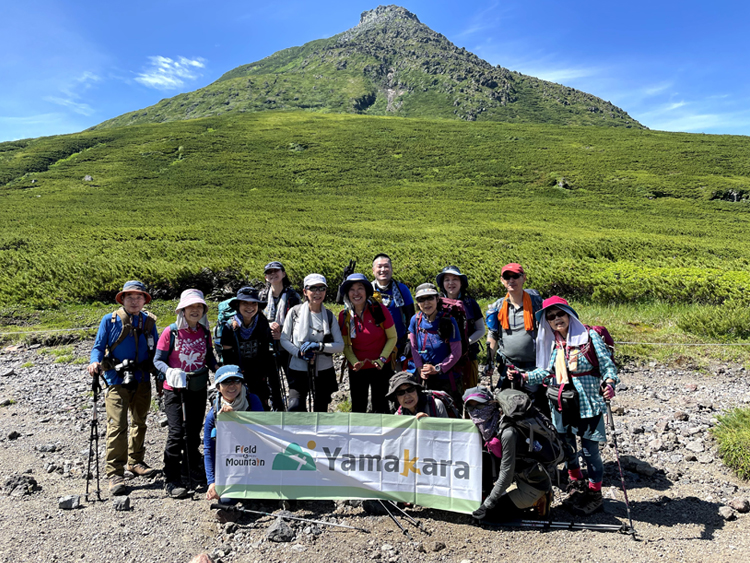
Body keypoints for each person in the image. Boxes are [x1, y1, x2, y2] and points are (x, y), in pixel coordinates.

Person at [517, 296, 619, 515]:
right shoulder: (553, 343)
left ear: (569, 314)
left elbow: (608, 366)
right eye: (551, 317)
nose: (556, 319)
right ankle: (577, 484)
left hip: (589, 403)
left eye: (560, 314)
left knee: (591, 451)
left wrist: (609, 384)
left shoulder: (590, 337)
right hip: (562, 404)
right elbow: (546, 372)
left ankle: (594, 493)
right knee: (567, 447)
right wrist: (523, 376)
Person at [88, 280, 159, 496]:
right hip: (116, 379)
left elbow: (157, 349)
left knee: (140, 422)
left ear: (144, 300)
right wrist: (94, 362)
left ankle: (135, 461)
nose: (135, 301)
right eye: (130, 297)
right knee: (117, 425)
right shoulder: (109, 321)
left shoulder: (149, 322)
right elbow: (98, 347)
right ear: (123, 299)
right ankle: (114, 474)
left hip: (142, 378)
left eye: (139, 297)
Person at [153, 288, 219, 499]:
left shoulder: (205, 332)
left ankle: (189, 467)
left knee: (193, 431)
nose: (195, 310)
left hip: (198, 387)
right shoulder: (170, 332)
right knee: (176, 433)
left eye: (199, 306)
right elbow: (157, 360)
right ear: (182, 309)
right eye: (191, 306)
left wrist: (221, 371)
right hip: (175, 390)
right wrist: (169, 371)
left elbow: (209, 358)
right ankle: (171, 478)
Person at [465, 386, 552, 522]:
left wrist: (487, 504)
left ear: (490, 403)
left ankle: (540, 498)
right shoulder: (488, 427)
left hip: (534, 482)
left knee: (489, 516)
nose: (476, 412)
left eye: (480, 405)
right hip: (520, 476)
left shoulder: (507, 432)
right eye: (471, 408)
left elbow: (506, 475)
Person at [485, 263, 546, 414]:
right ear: (502, 280)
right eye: (507, 277)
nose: (511, 280)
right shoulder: (498, 306)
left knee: (536, 409)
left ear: (524, 278)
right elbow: (493, 334)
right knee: (510, 408)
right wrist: (489, 360)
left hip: (534, 367)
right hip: (508, 367)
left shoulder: (536, 303)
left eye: (515, 276)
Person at [280, 274, 344, 412]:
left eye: (321, 288)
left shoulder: (329, 316)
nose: (317, 293)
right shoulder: (294, 313)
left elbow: (340, 345)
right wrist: (298, 352)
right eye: (313, 288)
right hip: (298, 369)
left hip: (323, 371)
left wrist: (319, 347)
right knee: (295, 407)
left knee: (321, 409)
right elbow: (284, 339)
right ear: (305, 292)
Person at [338, 273, 397, 413]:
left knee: (381, 406)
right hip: (357, 368)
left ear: (366, 291)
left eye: (360, 288)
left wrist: (382, 359)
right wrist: (353, 361)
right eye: (352, 289)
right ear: (347, 293)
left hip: (381, 366)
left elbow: (392, 337)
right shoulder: (344, 315)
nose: (356, 293)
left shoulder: (379, 310)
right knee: (358, 407)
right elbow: (346, 344)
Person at [204, 365, 264, 502]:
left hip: (257, 462)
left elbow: (262, 434)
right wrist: (212, 482)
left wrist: (236, 419)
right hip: (232, 468)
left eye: (236, 381)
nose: (232, 385)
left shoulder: (253, 401)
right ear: (218, 387)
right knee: (225, 502)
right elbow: (208, 450)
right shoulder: (213, 415)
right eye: (226, 382)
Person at [220, 287, 277, 410]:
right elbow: (227, 357)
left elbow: (265, 350)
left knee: (261, 405)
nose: (250, 307)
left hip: (258, 373)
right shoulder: (229, 328)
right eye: (245, 303)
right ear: (238, 305)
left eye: (253, 303)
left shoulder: (262, 322)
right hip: (238, 374)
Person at [408, 283, 463, 407]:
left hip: (447, 378)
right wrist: (420, 369)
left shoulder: (449, 321)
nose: (426, 303)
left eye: (430, 298)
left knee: (450, 413)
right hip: (424, 376)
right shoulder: (415, 320)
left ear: (437, 299)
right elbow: (414, 347)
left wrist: (438, 369)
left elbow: (456, 352)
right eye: (421, 299)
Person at [436, 265, 485, 389]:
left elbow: (481, 329)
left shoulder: (471, 303)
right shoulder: (436, 304)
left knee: (470, 392)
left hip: (468, 356)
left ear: (461, 283)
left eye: (455, 279)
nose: (451, 283)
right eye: (447, 279)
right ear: (442, 283)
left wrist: (465, 343)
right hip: (444, 356)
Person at [260, 261, 302, 403]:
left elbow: (299, 322)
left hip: (288, 347)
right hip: (268, 346)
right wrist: (269, 328)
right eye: (269, 272)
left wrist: (282, 333)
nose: (272, 274)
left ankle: (293, 409)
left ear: (283, 274)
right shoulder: (262, 296)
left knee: (293, 382)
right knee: (272, 384)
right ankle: (277, 410)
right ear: (266, 277)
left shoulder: (293, 296)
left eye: (275, 271)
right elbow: (257, 319)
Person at [371, 254, 415, 363]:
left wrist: (410, 340)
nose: (383, 270)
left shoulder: (402, 289)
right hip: (374, 345)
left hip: (399, 344)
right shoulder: (368, 290)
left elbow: (411, 315)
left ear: (391, 269)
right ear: (373, 270)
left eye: (386, 266)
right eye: (379, 266)